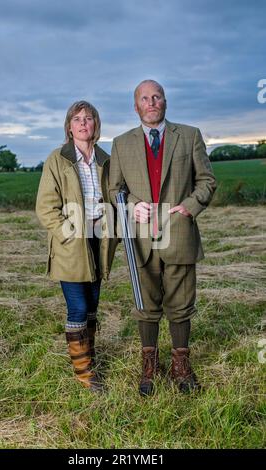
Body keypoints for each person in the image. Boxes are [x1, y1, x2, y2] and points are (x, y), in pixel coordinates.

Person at [109, 80, 217, 396]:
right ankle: (149, 366)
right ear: (136, 106)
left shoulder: (190, 135)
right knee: (146, 307)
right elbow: (115, 190)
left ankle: (181, 367)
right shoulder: (121, 143)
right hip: (141, 238)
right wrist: (130, 205)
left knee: (181, 305)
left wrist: (190, 206)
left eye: (157, 96)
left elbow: (207, 181)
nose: (152, 102)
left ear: (165, 102)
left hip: (179, 232)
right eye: (145, 98)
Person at [36, 101, 117, 393]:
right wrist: (68, 232)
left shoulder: (106, 159)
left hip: (99, 241)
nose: (84, 123)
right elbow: (45, 207)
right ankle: (84, 374)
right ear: (69, 126)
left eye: (89, 118)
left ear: (96, 124)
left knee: (93, 305)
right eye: (77, 118)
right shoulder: (57, 159)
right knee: (78, 306)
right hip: (71, 244)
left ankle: (89, 358)